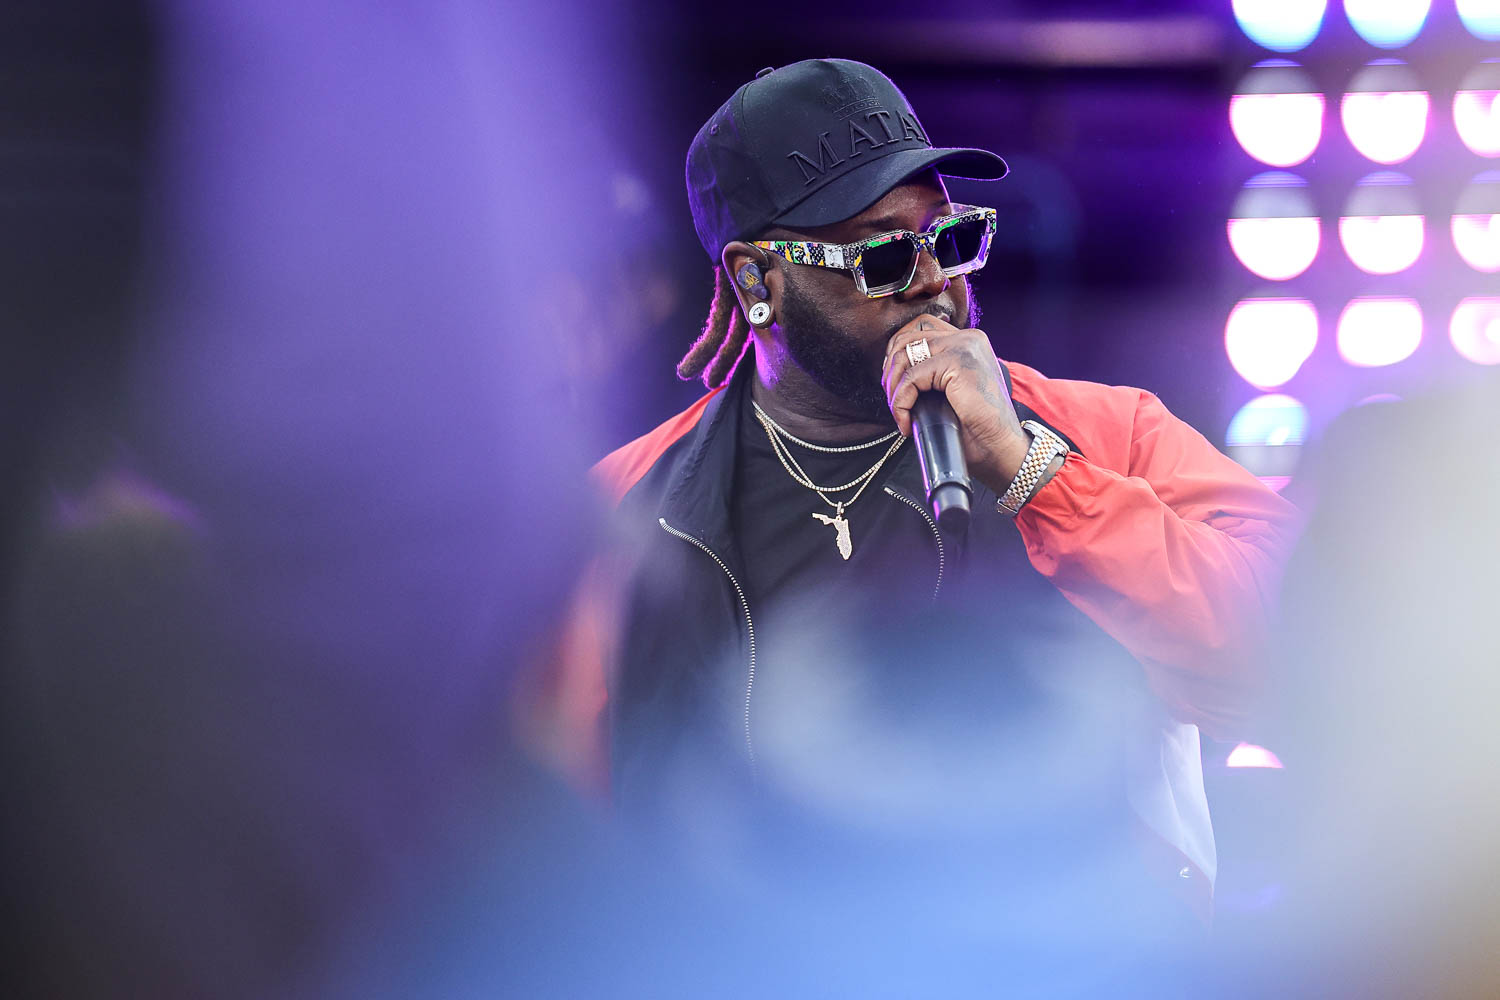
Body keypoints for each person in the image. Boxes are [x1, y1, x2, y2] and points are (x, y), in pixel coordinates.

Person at [529, 59, 1300, 944]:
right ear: (755, 283)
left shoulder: (1107, 432)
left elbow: (1299, 653)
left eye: (951, 238)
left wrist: (1033, 468)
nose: (935, 279)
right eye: (885, 254)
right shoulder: (623, 513)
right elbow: (542, 825)